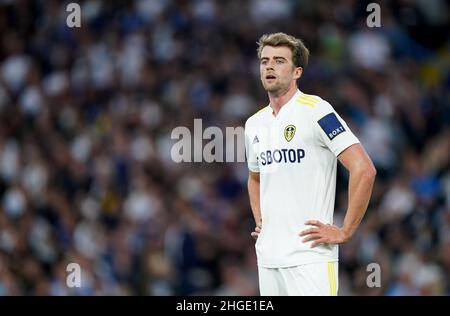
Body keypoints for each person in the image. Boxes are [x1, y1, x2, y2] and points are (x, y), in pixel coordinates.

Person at [244, 32, 376, 296]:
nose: (269, 66)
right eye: (265, 61)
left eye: (279, 61)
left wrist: (345, 231)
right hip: (269, 258)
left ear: (297, 72)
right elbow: (255, 177)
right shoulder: (254, 124)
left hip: (309, 256)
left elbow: (364, 169)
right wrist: (261, 221)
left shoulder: (317, 110)